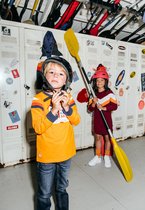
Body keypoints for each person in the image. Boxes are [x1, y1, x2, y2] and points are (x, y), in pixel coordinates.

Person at [31, 56, 80, 210]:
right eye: (51, 72)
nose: (55, 76)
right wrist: (53, 110)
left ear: (66, 80)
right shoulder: (38, 100)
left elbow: (76, 120)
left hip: (66, 153)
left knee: (61, 188)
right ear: (44, 76)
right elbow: (38, 128)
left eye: (61, 74)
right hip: (47, 156)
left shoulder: (69, 98)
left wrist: (66, 108)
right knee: (44, 193)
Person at [87, 64, 118, 168]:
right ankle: (98, 156)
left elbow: (114, 106)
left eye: (102, 80)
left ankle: (107, 156)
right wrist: (93, 103)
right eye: (97, 80)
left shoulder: (110, 93)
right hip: (97, 120)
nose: (99, 82)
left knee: (107, 138)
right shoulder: (93, 94)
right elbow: (90, 109)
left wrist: (104, 108)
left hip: (107, 120)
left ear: (105, 82)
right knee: (98, 138)